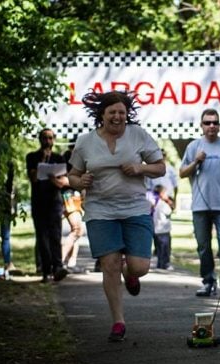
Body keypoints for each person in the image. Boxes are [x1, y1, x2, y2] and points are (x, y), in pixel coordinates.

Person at [67, 90, 166, 342]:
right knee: (109, 266)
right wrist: (81, 180)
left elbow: (160, 167)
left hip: (134, 208)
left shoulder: (138, 135)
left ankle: (130, 272)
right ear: (102, 115)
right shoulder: (85, 141)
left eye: (122, 112)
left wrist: (140, 167)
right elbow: (72, 175)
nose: (118, 116)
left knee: (140, 267)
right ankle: (118, 321)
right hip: (100, 210)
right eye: (112, 112)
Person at [180, 108, 220, 299]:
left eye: (215, 122)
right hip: (200, 206)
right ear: (201, 125)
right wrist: (196, 162)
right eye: (207, 123)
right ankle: (208, 282)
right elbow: (182, 172)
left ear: (219, 125)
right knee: (203, 246)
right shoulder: (193, 146)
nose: (211, 126)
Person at [26, 128, 69, 283]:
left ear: (54, 140)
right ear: (40, 139)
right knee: (42, 237)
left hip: (54, 202)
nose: (48, 141)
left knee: (55, 236)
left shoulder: (59, 158)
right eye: (45, 138)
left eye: (50, 138)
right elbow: (33, 178)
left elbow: (64, 181)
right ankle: (45, 271)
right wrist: (42, 163)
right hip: (38, 202)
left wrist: (53, 180)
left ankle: (58, 267)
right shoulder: (32, 157)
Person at [61, 138, 84, 271]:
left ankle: (70, 262)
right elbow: (64, 179)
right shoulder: (67, 157)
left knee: (76, 230)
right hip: (68, 196)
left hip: (73, 196)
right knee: (77, 230)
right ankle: (60, 262)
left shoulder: (75, 157)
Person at [151, 184, 174, 270]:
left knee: (160, 249)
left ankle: (160, 264)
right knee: (165, 249)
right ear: (162, 194)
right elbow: (169, 212)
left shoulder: (155, 203)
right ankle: (166, 264)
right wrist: (169, 202)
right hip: (164, 230)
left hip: (157, 229)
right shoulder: (163, 204)